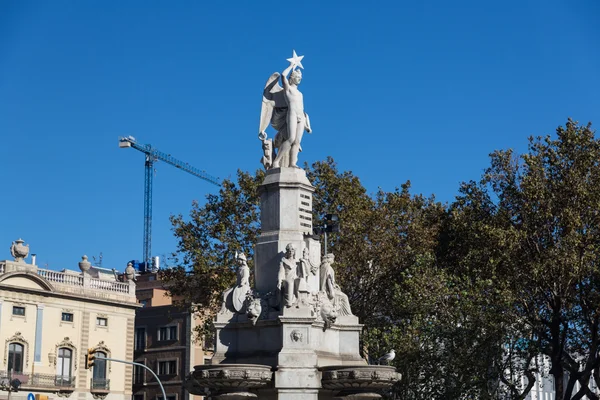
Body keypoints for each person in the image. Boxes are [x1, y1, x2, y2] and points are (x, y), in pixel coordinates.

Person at [277, 243, 298, 307]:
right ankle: (289, 302)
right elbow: (281, 271)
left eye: (292, 250)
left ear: (294, 251)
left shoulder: (297, 261)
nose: (291, 252)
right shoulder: (284, 261)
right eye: (289, 250)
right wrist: (279, 280)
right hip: (287, 279)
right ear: (287, 251)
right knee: (289, 283)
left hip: (295, 278)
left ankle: (298, 300)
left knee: (299, 282)